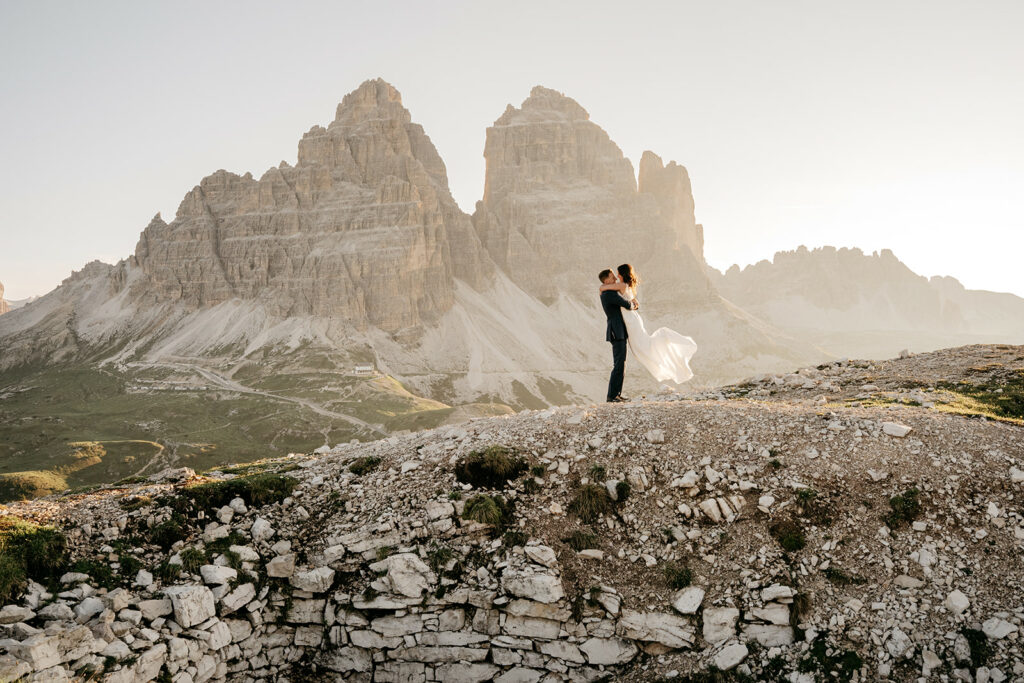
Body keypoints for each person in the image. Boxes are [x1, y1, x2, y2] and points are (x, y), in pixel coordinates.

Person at [599, 263, 697, 387]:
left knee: (642, 346)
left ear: (623, 274)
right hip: (631, 319)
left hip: (631, 320)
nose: (617, 277)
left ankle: (614, 394)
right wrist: (633, 303)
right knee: (641, 347)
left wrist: (601, 288)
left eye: (618, 274)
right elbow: (628, 300)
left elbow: (604, 288)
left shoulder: (622, 285)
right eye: (614, 275)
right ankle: (615, 394)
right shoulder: (625, 286)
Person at [599, 268, 637, 402]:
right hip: (617, 331)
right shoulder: (609, 293)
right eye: (612, 277)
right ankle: (612, 396)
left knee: (620, 363)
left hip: (617, 330)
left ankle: (616, 394)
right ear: (606, 280)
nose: (615, 279)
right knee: (619, 364)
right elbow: (626, 304)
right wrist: (633, 304)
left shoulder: (607, 292)